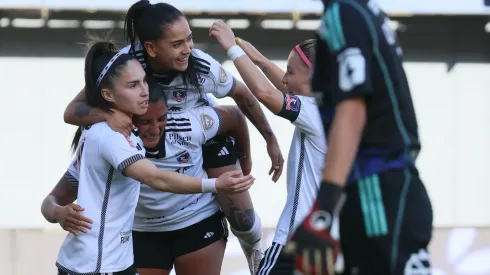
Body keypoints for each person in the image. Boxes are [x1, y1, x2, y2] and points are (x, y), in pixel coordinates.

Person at [62, 2, 284, 272]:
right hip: (143, 217)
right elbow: (73, 111)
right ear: (151, 48)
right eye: (177, 43)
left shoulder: (200, 76)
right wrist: (108, 116)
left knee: (242, 215)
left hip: (196, 147)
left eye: (189, 39)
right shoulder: (123, 70)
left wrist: (266, 142)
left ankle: (252, 244)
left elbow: (238, 105)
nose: (188, 49)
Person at [43, 76, 253, 275]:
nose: (154, 129)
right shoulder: (111, 143)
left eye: (162, 118)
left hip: (195, 222)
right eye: (144, 122)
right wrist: (58, 212)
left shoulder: (187, 127)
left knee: (247, 223)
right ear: (127, 118)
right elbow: (51, 202)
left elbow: (235, 116)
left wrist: (247, 160)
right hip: (140, 233)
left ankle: (255, 245)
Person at [283, 1, 434, 274]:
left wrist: (323, 211)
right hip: (386, 188)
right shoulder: (362, 11)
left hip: (378, 191)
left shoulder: (343, 13)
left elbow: (352, 110)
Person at [208, 21, 327, 275]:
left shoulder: (314, 112)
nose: (284, 78)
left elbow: (266, 94)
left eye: (290, 71)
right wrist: (259, 59)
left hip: (295, 241)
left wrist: (232, 48)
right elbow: (284, 89)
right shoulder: (333, 108)